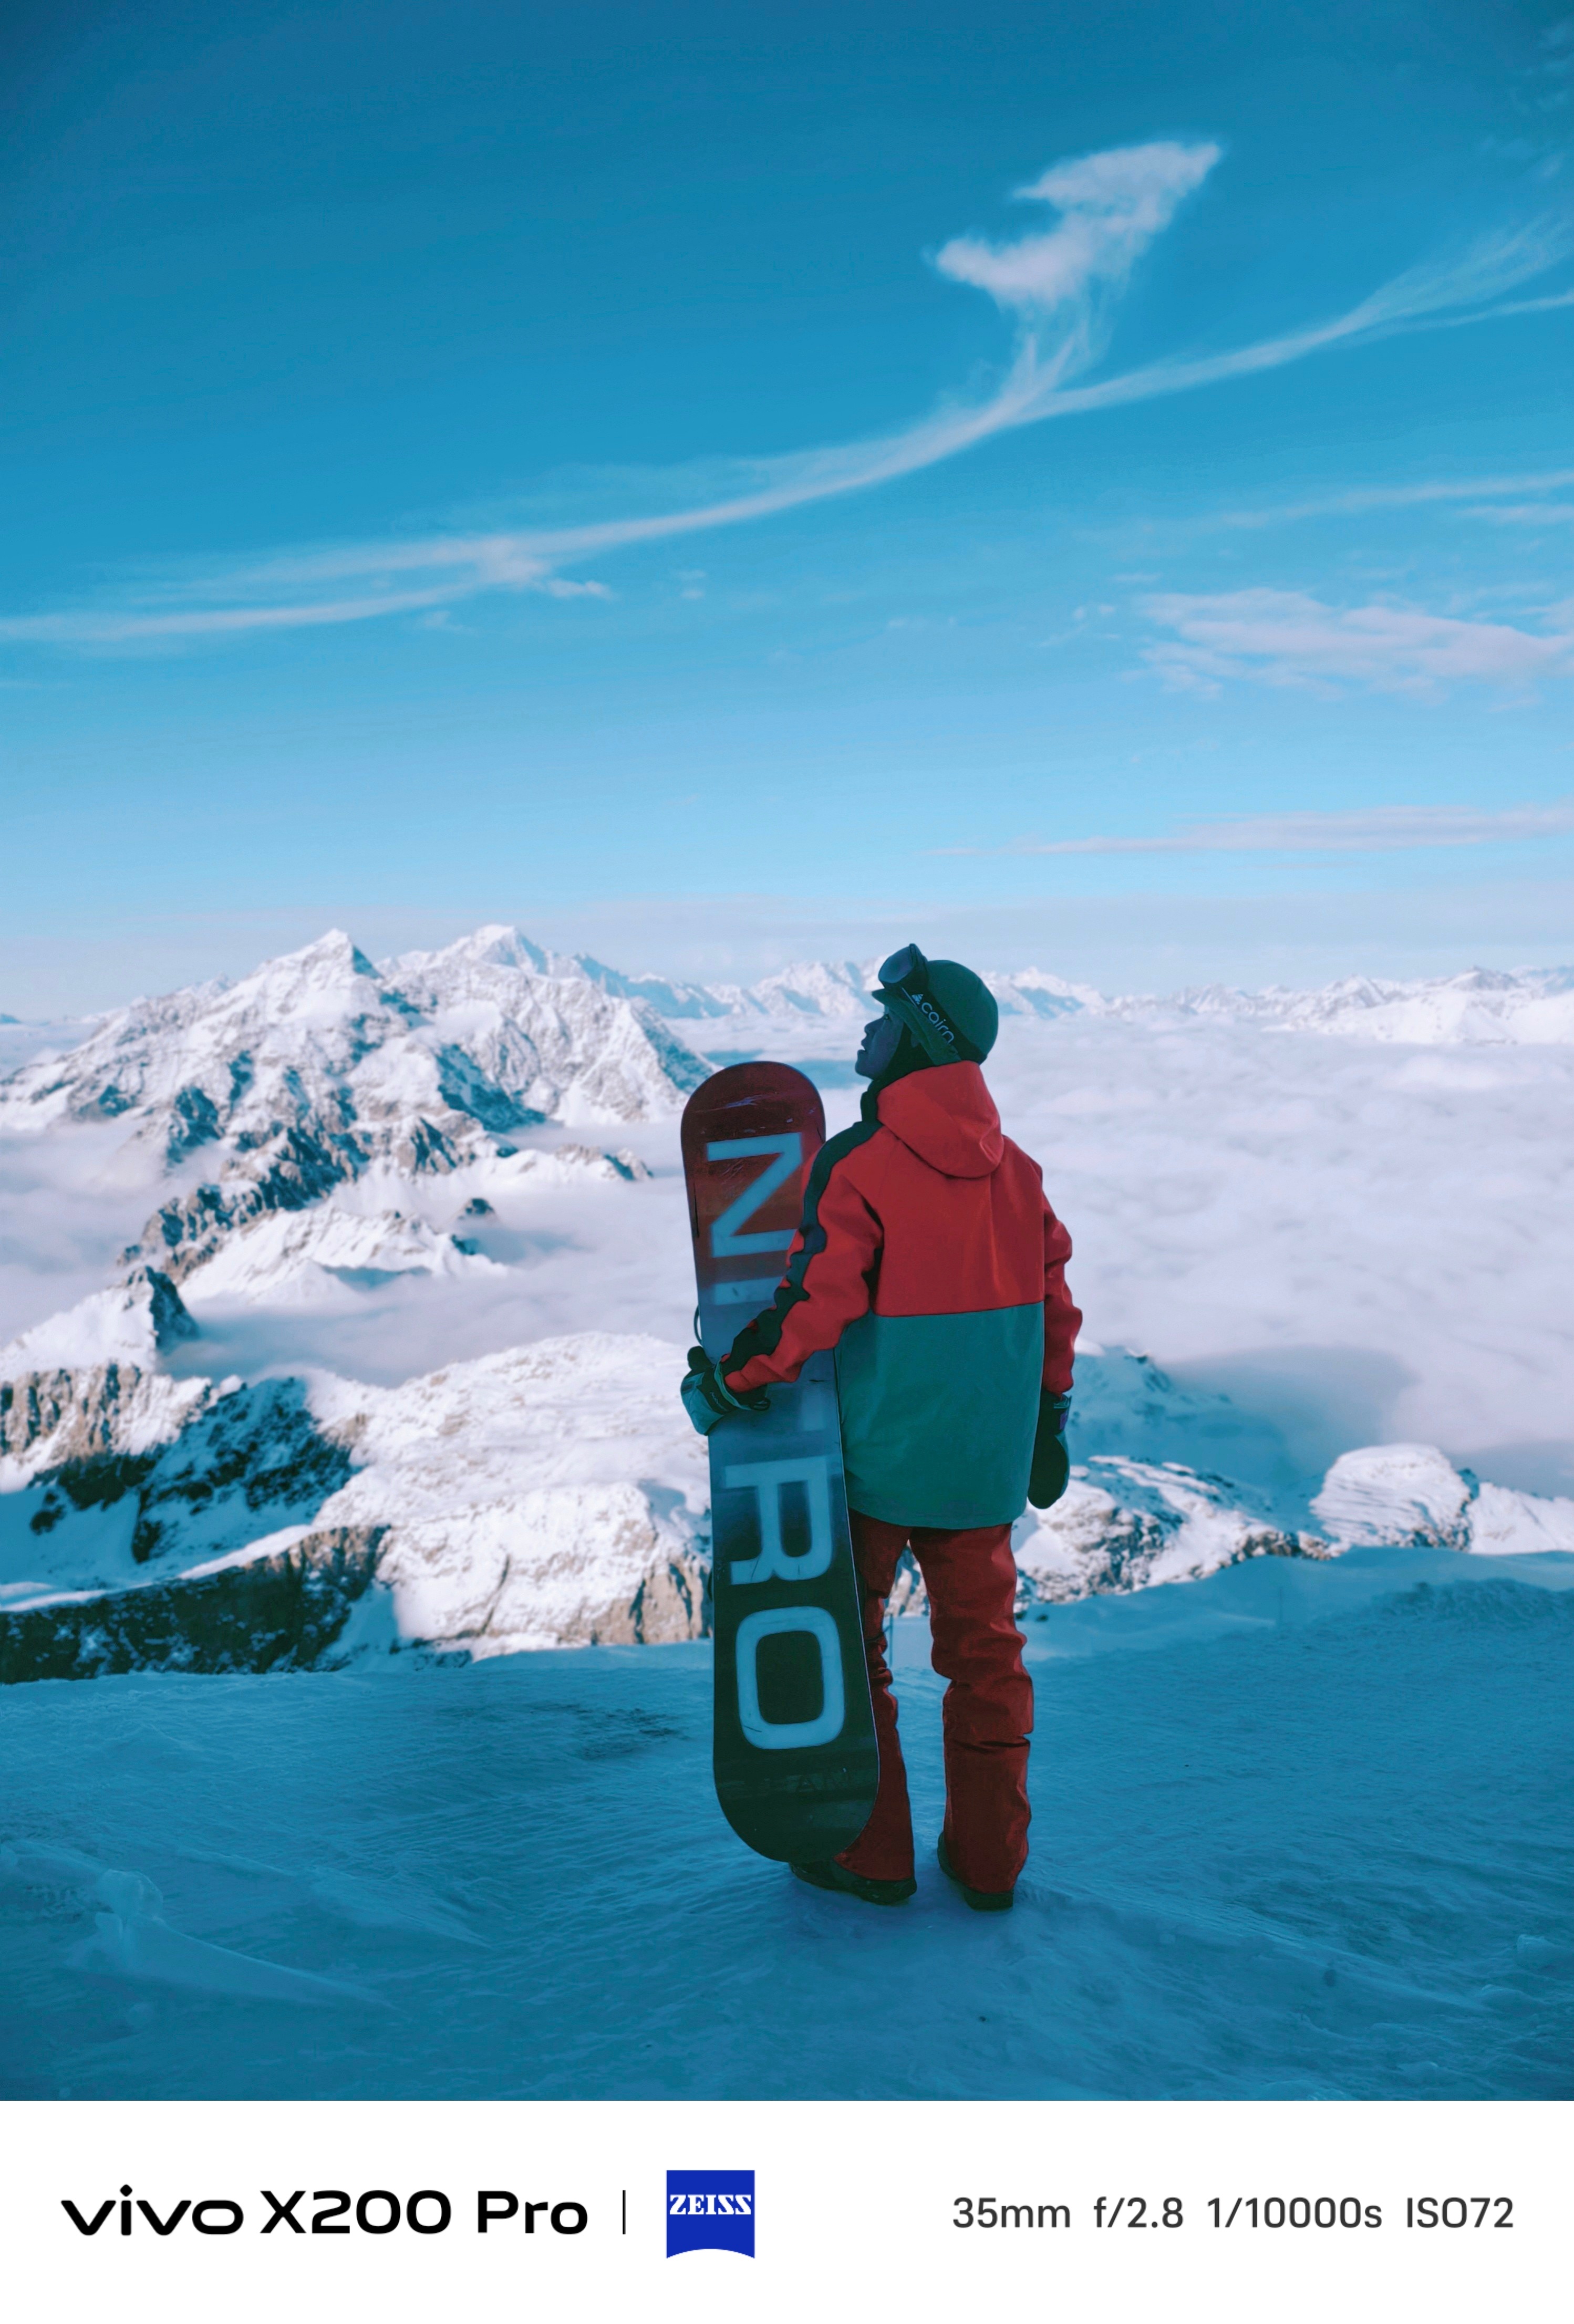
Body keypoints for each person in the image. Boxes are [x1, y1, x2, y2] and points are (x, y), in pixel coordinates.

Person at [683, 943, 1080, 1912]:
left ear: (920, 1038)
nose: (866, 1029)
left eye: (885, 1015)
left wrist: (733, 1381)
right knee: (987, 1661)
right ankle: (992, 1864)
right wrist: (1048, 1423)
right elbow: (1055, 1308)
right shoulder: (1020, 1174)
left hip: (878, 1467)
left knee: (855, 1661)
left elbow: (814, 1304)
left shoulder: (860, 1165)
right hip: (981, 1472)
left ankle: (875, 1857)